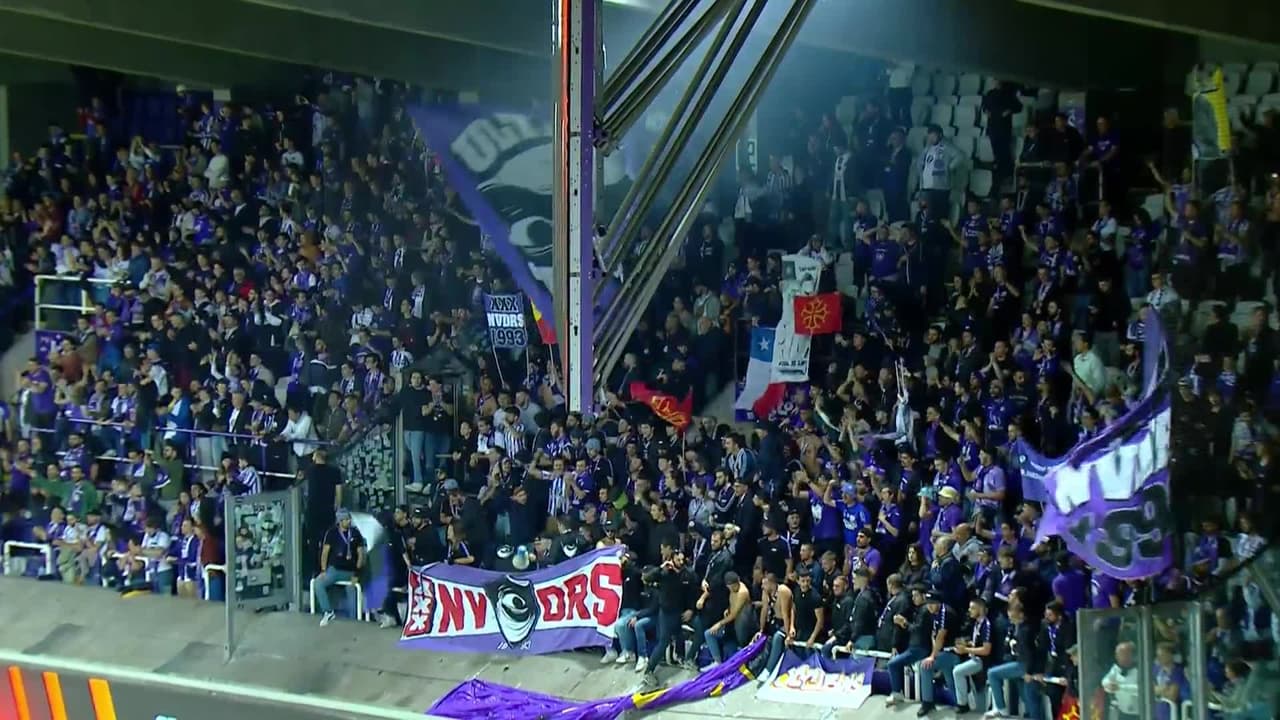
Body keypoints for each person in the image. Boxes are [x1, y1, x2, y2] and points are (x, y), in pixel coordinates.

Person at [315, 508, 366, 627]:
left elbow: (361, 554)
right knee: (318, 583)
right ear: (340, 521)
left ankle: (354, 621)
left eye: (349, 519)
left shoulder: (355, 533)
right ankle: (328, 611)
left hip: (350, 571)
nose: (349, 521)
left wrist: (357, 573)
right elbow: (325, 552)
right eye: (346, 519)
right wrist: (323, 570)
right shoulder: (332, 533)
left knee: (352, 589)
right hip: (335, 570)